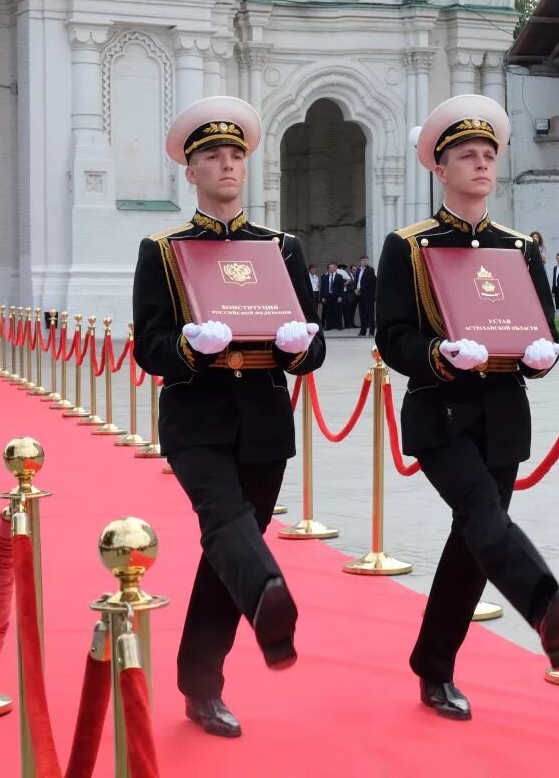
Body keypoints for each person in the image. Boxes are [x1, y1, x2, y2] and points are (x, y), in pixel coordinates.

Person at [375, 94, 559, 723]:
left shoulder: (519, 247)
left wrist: (542, 356)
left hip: (502, 418)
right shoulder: (408, 246)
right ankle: (546, 605)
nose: (481, 163)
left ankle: (434, 668)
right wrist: (441, 352)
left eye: (489, 154)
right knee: (481, 515)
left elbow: (540, 328)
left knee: (471, 547)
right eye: (466, 154)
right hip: (440, 413)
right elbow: (392, 336)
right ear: (440, 169)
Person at [131, 96, 325, 739]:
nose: (226, 165)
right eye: (212, 156)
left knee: (224, 555)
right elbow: (150, 347)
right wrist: (194, 346)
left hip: (265, 422)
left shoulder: (281, 249)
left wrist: (301, 347)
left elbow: (312, 343)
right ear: (191, 172)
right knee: (226, 523)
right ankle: (270, 600)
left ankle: (199, 683)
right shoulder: (163, 249)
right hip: (198, 420)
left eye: (236, 154)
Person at [353, 255, 376, 336]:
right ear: (360, 261)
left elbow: (369, 282)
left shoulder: (370, 270)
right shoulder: (358, 270)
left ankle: (371, 331)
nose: (365, 261)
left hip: (368, 295)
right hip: (360, 295)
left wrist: (360, 289)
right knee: (362, 313)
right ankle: (363, 331)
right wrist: (355, 289)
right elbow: (356, 281)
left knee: (370, 314)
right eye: (363, 260)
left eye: (366, 260)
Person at [321, 262, 345, 331]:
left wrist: (340, 296)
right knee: (328, 312)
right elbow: (323, 287)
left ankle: (339, 326)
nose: (331, 269)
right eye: (329, 267)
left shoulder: (339, 276)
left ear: (335, 268)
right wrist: (323, 297)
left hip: (337, 296)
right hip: (328, 296)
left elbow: (341, 287)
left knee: (338, 311)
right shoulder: (325, 277)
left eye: (332, 267)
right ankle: (328, 326)